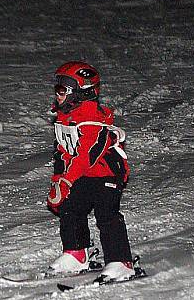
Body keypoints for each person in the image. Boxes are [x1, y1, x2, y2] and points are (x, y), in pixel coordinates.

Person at [45, 61, 135, 281]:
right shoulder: (65, 119)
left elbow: (86, 156)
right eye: (57, 89)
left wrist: (67, 182)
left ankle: (120, 261)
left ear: (80, 93)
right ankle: (76, 253)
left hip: (106, 173)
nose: (57, 95)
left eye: (62, 90)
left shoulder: (92, 120)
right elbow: (63, 153)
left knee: (107, 214)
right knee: (71, 208)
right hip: (83, 174)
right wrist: (59, 181)